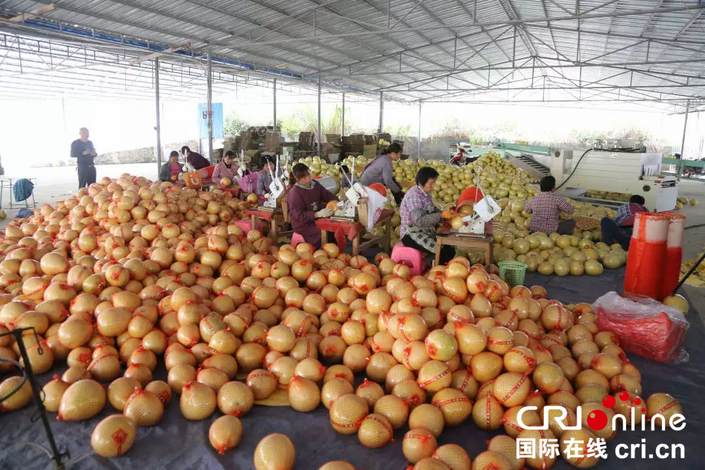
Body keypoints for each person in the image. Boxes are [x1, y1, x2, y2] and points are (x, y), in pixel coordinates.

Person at [400, 167, 455, 265]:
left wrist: (446, 217)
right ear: (421, 183)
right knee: (443, 252)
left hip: (424, 230)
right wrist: (441, 216)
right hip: (411, 234)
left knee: (448, 247)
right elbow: (419, 220)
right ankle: (435, 273)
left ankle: (435, 267)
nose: (433, 186)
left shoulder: (426, 194)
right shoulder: (414, 196)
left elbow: (433, 210)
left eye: (434, 183)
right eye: (431, 183)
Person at [285, 163, 338, 248]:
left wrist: (338, 203)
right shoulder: (295, 194)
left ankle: (334, 254)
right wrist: (316, 214)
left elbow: (327, 195)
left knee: (334, 229)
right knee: (324, 233)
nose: (308, 179)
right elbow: (298, 216)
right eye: (304, 178)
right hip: (303, 224)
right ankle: (321, 254)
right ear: (297, 179)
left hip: (318, 219)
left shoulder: (315, 185)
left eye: (308, 175)